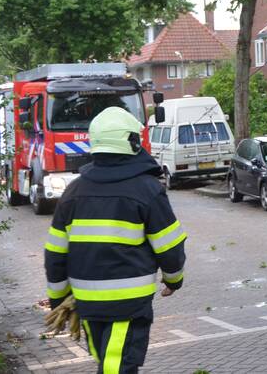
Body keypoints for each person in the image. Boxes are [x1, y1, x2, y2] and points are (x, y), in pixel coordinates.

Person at [44, 107, 186, 374]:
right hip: (129, 305)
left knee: (107, 362)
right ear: (132, 142)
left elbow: (54, 254)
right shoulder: (148, 190)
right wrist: (174, 279)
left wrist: (58, 299)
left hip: (86, 303)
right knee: (116, 367)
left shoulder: (73, 192)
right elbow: (169, 246)